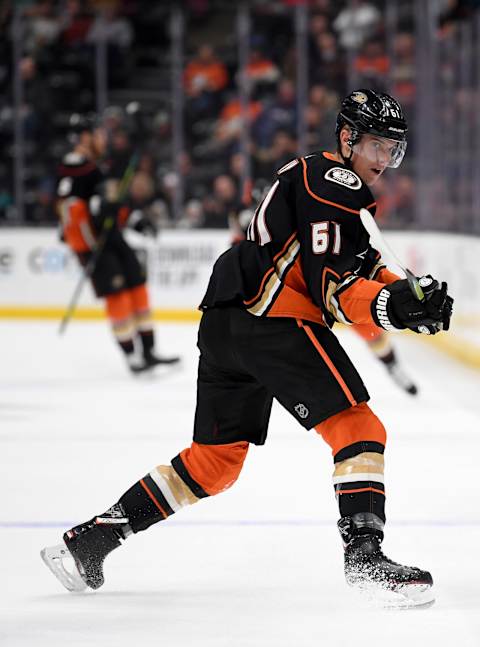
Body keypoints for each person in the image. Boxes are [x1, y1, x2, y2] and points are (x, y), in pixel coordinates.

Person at [41, 90, 453, 606]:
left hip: (228, 322)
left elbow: (359, 263)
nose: (383, 160)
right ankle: (365, 559)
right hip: (272, 319)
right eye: (374, 145)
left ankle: (93, 539)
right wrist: (394, 306)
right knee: (359, 427)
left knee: (214, 464)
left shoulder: (320, 180)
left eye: (391, 149)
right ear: (347, 140)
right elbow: (336, 287)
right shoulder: (335, 182)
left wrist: (405, 290)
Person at [55, 113, 179, 373]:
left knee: (137, 287)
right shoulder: (74, 168)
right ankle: (131, 356)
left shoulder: (96, 166)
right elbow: (71, 210)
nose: (102, 137)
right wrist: (94, 216)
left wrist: (135, 220)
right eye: (97, 133)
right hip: (95, 245)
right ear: (85, 137)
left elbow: (115, 203)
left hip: (114, 238)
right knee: (118, 296)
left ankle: (149, 350)